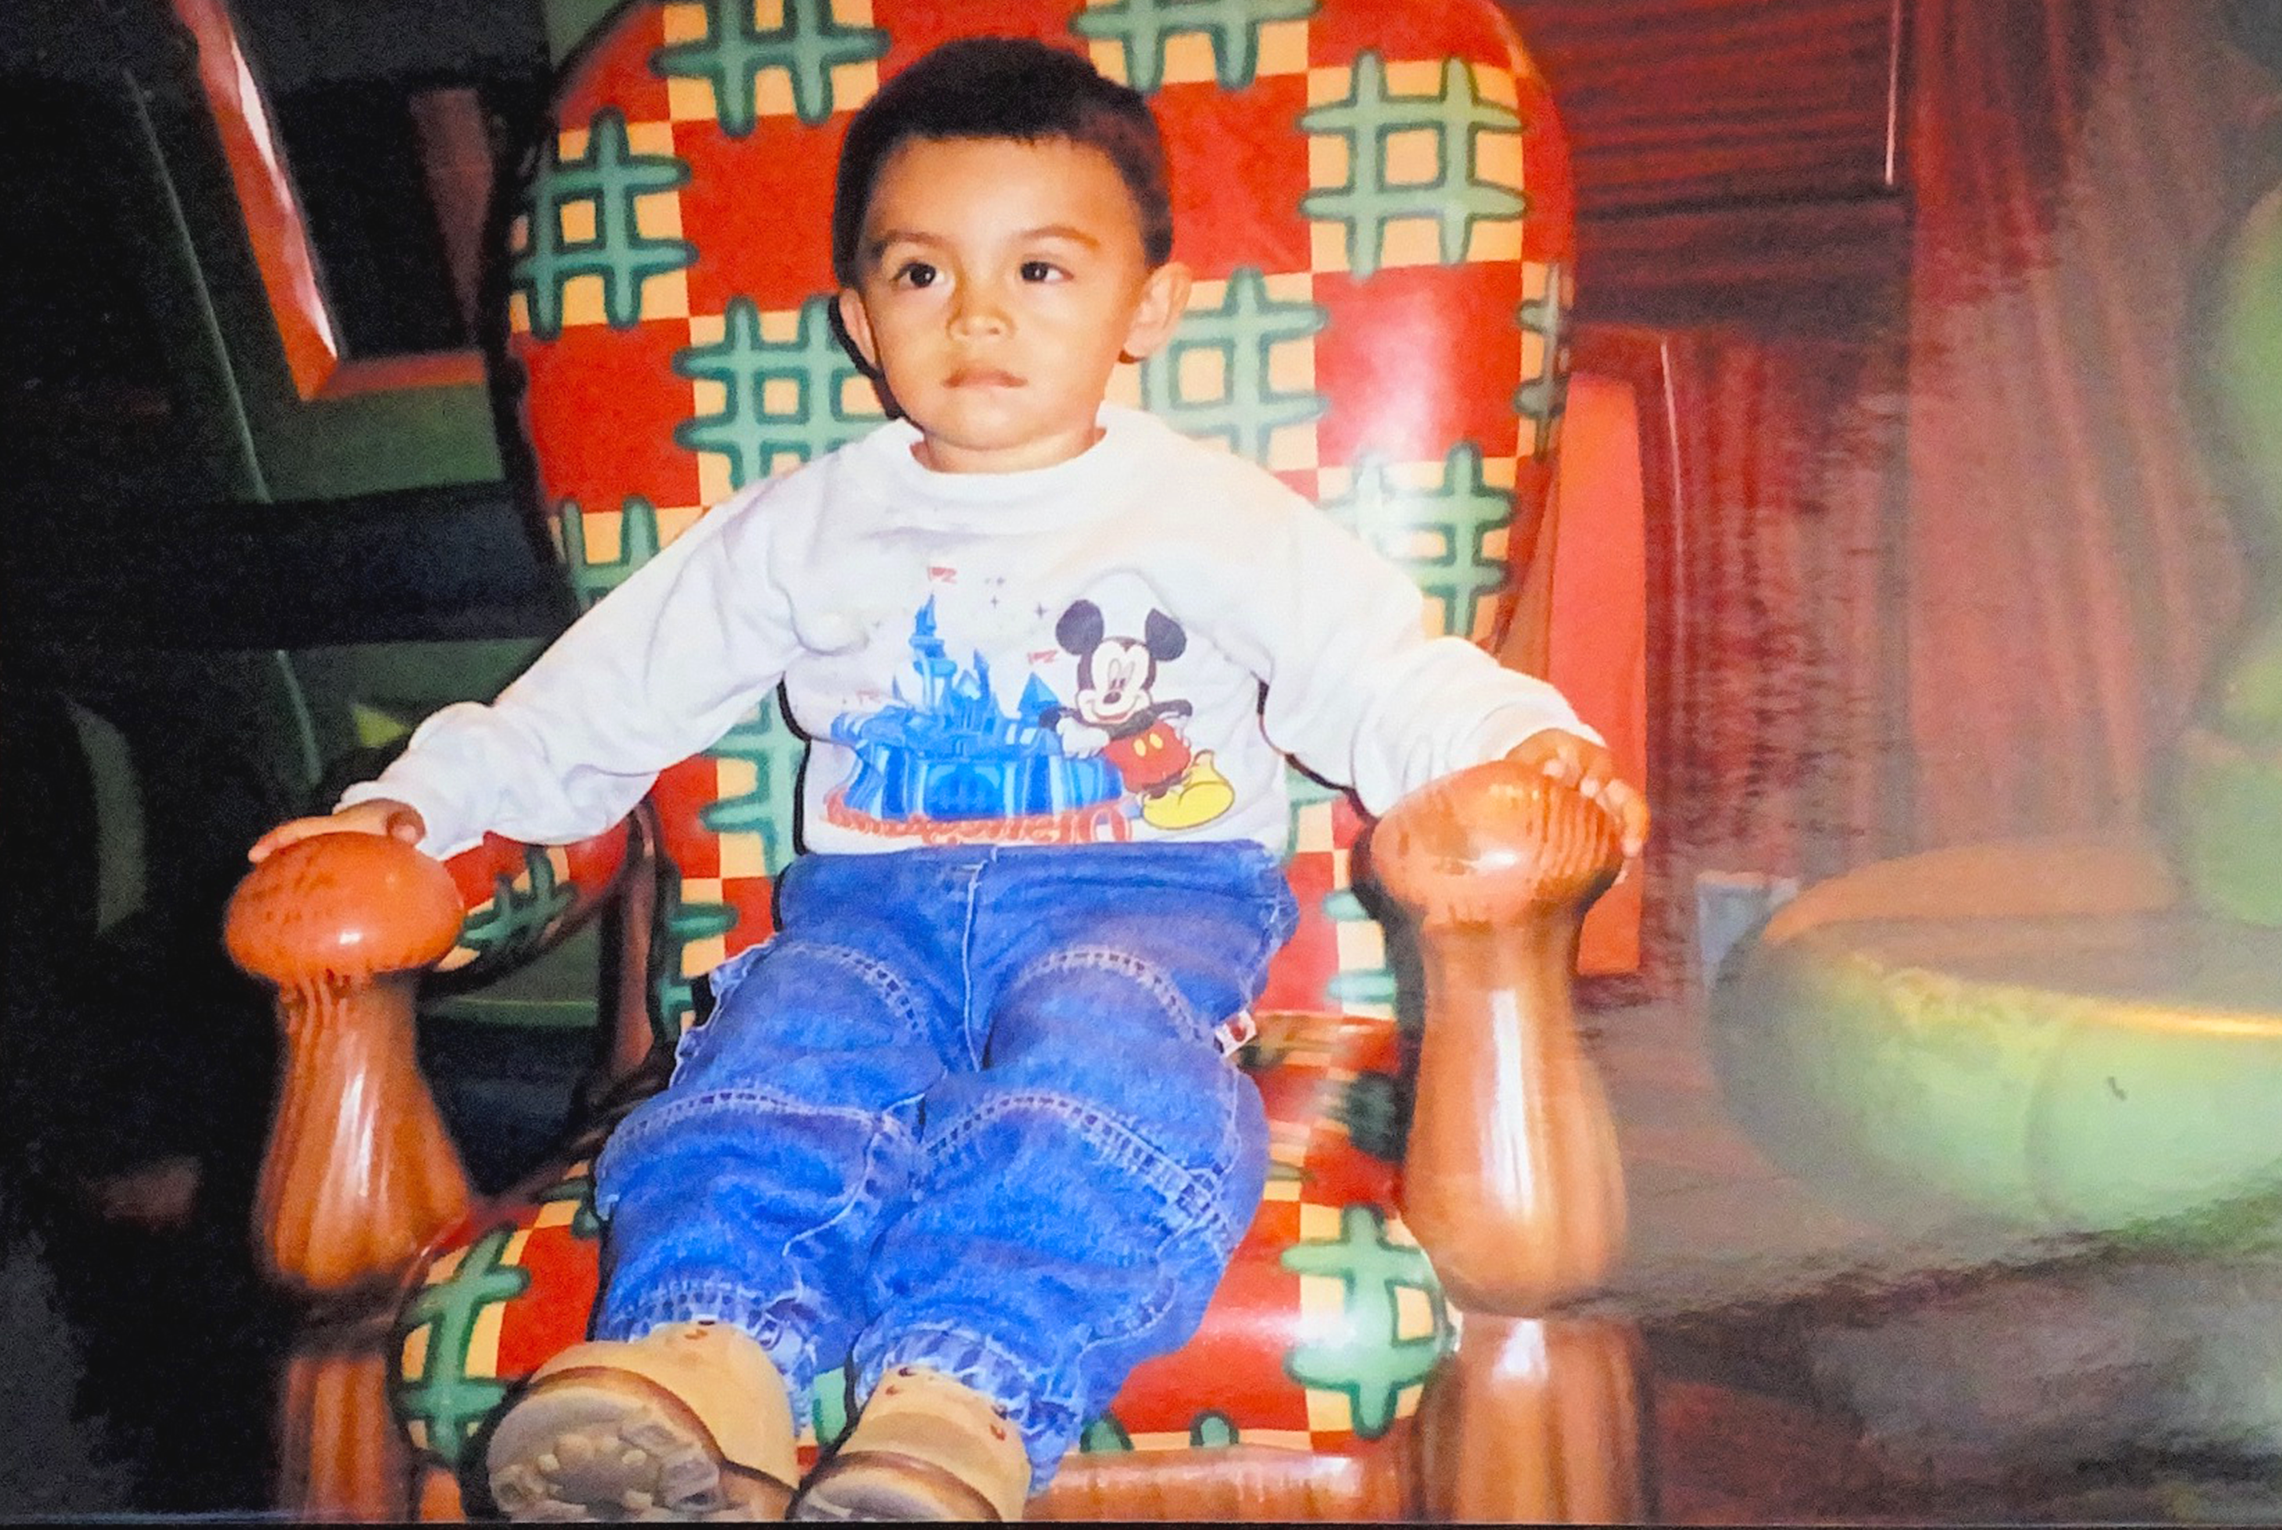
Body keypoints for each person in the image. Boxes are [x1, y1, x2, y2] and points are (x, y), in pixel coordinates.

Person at [249, 36, 1647, 1523]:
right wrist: (413, 807)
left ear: (1145, 307)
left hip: (1141, 896)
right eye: (922, 275)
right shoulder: (811, 521)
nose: (976, 311)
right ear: (860, 318)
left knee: (1102, 1057)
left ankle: (962, 1393)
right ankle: (698, 1355)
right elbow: (595, 699)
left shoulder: (1211, 513)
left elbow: (1380, 670)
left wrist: (1520, 747)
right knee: (778, 1046)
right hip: (873, 903)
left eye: (1041, 270)